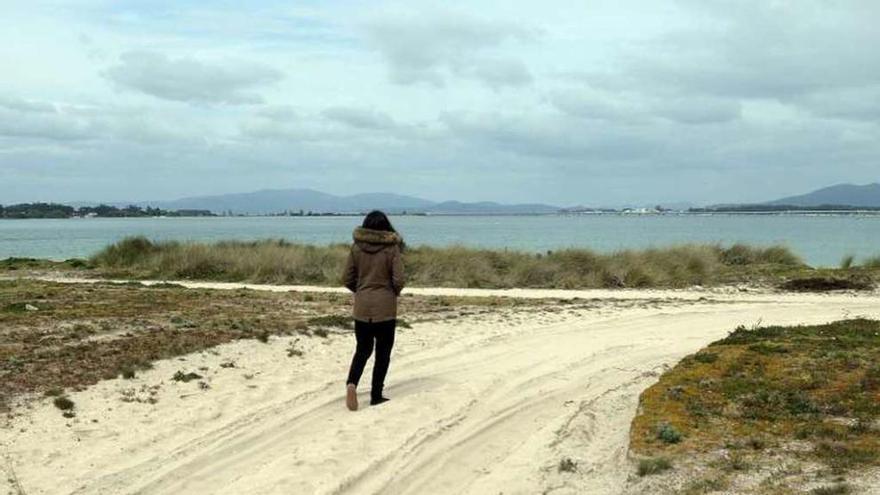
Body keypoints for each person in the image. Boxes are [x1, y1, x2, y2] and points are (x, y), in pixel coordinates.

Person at [343, 210, 405, 411]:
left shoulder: (356, 248)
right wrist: (392, 292)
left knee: (362, 349)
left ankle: (352, 384)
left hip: (362, 306)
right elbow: (399, 280)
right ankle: (376, 395)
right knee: (383, 352)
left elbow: (347, 278)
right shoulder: (392, 248)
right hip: (385, 307)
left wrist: (360, 290)